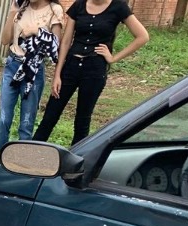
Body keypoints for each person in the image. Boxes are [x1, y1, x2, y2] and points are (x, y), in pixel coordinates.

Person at [32, 0, 148, 145]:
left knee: (82, 119)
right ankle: (30, 155)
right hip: (71, 66)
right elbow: (66, 41)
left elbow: (143, 36)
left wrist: (113, 58)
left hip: (94, 69)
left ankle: (76, 163)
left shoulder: (118, 7)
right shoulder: (79, 5)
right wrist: (57, 74)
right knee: (50, 114)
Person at [0, 0, 64, 150]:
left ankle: (22, 162)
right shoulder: (22, 6)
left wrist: (37, 31)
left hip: (34, 70)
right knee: (3, 119)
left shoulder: (54, 10)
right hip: (12, 65)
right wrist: (13, 12)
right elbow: (4, 40)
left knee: (26, 123)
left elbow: (56, 47)